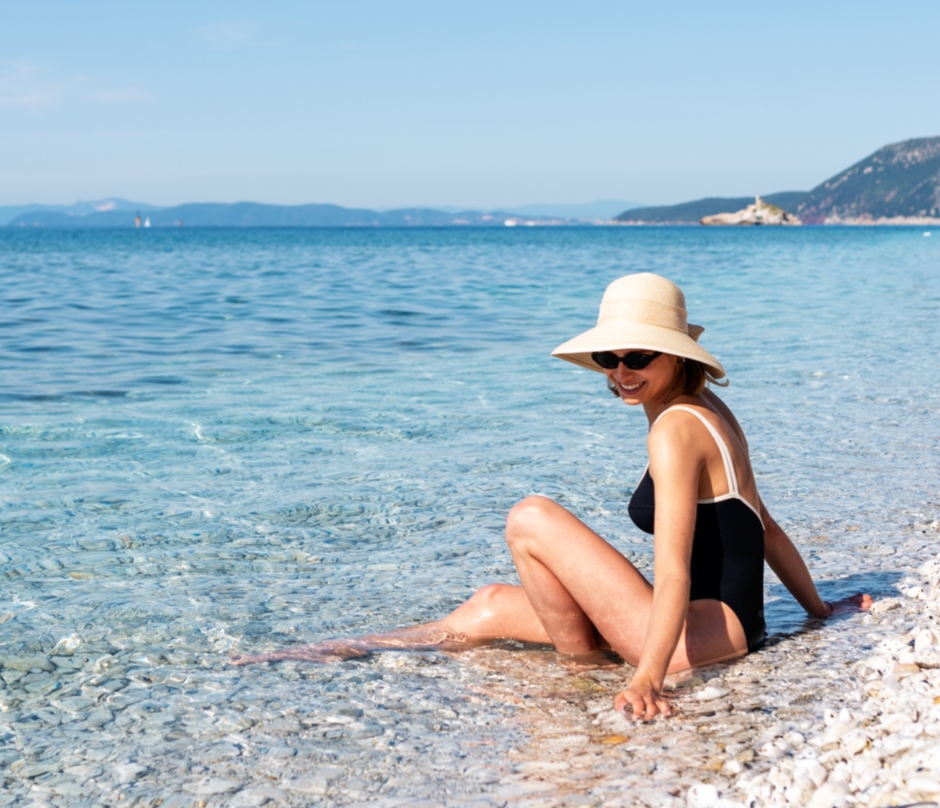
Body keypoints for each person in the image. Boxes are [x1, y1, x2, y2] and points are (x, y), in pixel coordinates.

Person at [235, 273, 869, 720]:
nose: (621, 370)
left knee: (529, 517)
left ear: (675, 356)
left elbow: (674, 567)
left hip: (684, 642)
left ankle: (585, 673)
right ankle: (338, 650)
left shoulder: (675, 431)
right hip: (724, 629)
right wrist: (817, 609)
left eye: (639, 355)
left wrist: (648, 677)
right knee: (486, 608)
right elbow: (766, 525)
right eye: (609, 356)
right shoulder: (703, 408)